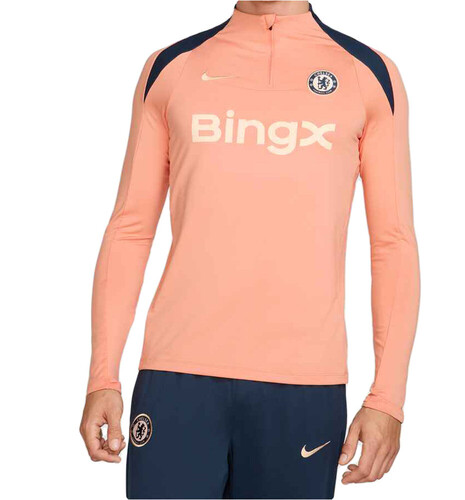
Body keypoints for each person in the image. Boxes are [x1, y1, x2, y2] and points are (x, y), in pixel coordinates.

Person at [80, 1, 420, 498]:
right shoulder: (172, 67)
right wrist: (102, 377)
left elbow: (393, 244)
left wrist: (387, 397)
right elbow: (130, 227)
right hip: (176, 378)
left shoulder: (367, 74)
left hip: (305, 386)